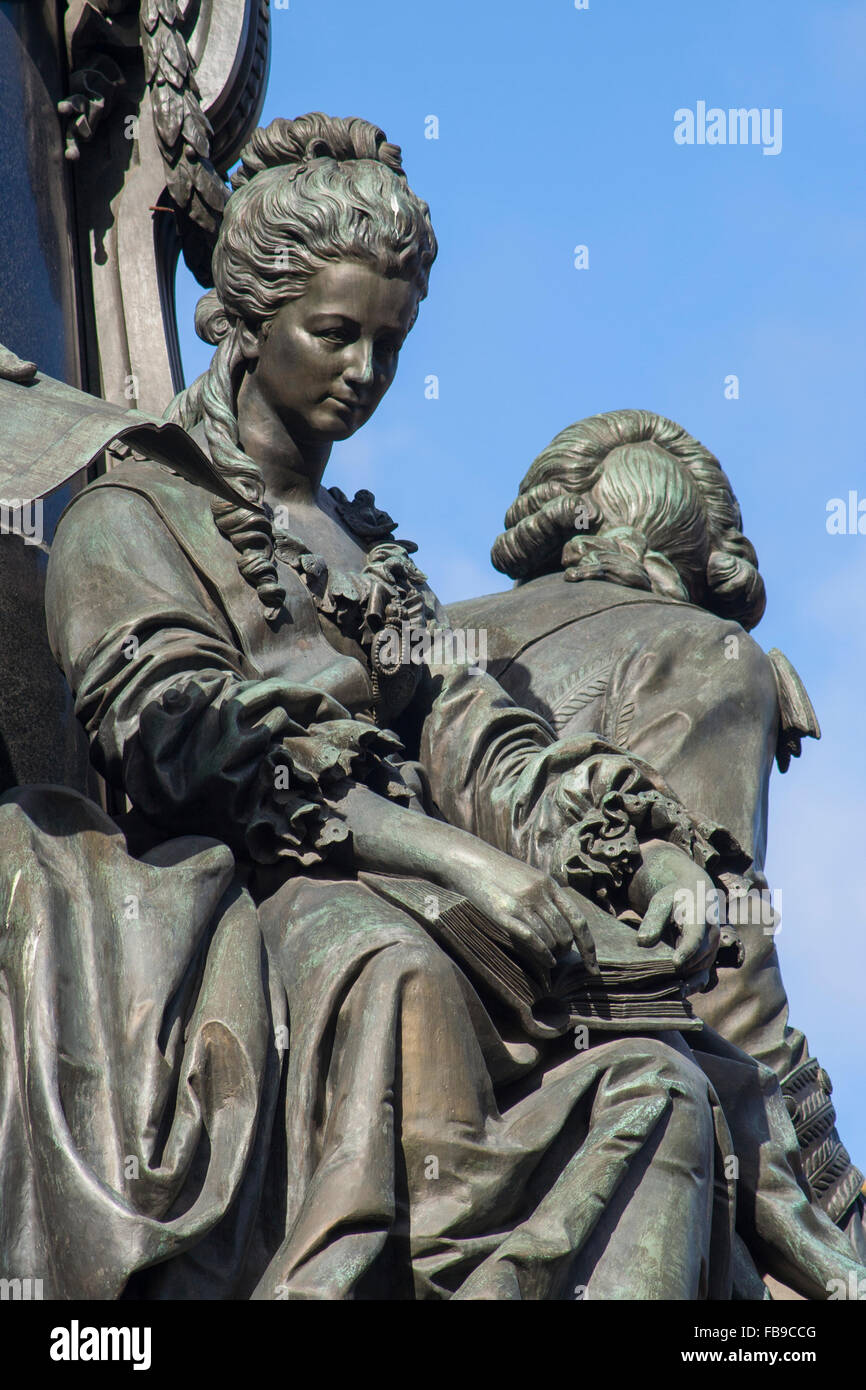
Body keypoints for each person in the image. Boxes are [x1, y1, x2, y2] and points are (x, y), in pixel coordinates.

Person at [1, 116, 860, 1300]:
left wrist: (643, 860)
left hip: (442, 907)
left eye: (391, 345)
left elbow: (480, 736)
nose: (364, 374)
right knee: (381, 961)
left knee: (664, 1085)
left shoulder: (372, 556)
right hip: (255, 900)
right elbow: (181, 732)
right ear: (238, 323)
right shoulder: (131, 517)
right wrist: (461, 862)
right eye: (333, 334)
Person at [450, 408, 865, 1246]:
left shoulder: (442, 632)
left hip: (436, 1068)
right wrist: (839, 1203)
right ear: (708, 567)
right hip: (598, 1086)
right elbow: (715, 961)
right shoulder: (703, 649)